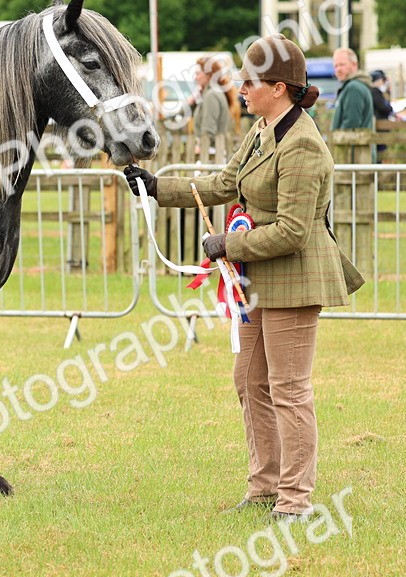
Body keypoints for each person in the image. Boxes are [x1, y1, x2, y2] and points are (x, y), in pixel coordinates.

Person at [124, 34, 364, 523]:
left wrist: (227, 245)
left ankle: (295, 500)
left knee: (289, 389)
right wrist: (156, 188)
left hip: (295, 279)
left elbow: (294, 232)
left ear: (278, 87)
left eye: (250, 82)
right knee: (249, 379)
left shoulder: (303, 146)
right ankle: (264, 487)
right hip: (258, 279)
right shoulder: (261, 129)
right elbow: (224, 183)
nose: (242, 88)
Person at [192, 54, 235, 163]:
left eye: (198, 74)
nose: (195, 78)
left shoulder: (211, 95)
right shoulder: (211, 92)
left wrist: (201, 146)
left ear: (208, 75)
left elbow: (208, 130)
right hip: (214, 154)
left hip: (211, 155)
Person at [330, 47, 375, 131]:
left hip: (353, 143)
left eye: (342, 64)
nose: (338, 69)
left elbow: (351, 124)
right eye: (336, 66)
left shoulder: (353, 88)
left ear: (354, 65)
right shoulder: (356, 85)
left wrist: (337, 141)